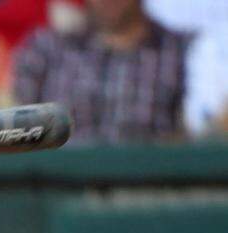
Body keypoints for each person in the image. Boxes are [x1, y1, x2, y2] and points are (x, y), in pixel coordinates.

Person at [13, 0, 189, 144]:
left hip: (147, 181)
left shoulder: (179, 53)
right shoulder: (46, 50)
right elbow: (14, 128)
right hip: (63, 180)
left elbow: (197, 135)